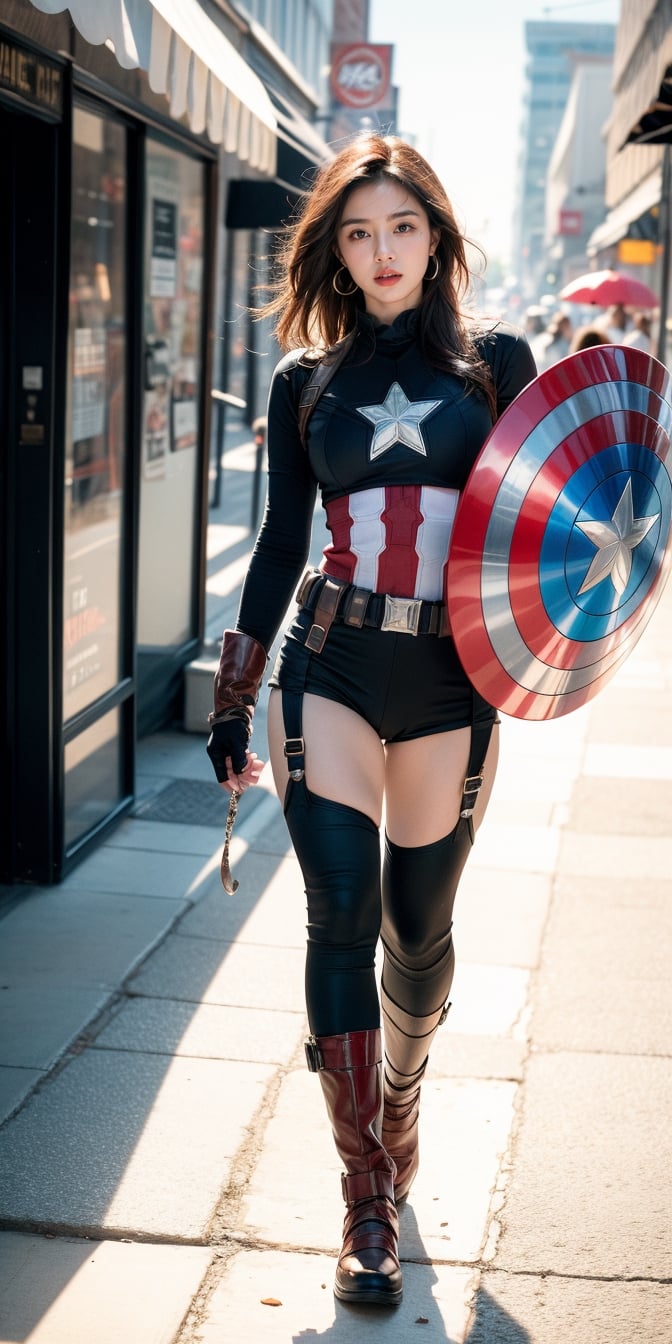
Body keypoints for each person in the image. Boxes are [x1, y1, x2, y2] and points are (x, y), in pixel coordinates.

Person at [206, 133, 537, 1309]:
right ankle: (365, 1199)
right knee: (339, 911)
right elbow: (278, 547)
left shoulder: (499, 363)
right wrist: (236, 692)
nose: (381, 251)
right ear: (335, 251)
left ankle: (399, 1103)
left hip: (452, 683)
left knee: (416, 928)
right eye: (357, 232)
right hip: (330, 664)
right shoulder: (308, 384)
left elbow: (539, 528)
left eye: (400, 226)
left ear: (436, 235)